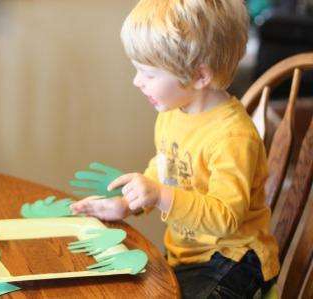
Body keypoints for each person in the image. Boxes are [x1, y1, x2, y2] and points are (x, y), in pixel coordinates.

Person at [70, 1, 280, 297]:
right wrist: (128, 205)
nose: (136, 81)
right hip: (185, 254)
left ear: (199, 76)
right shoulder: (172, 113)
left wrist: (161, 196)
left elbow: (226, 219)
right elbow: (164, 167)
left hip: (233, 257)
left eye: (149, 74)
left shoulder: (233, 135)